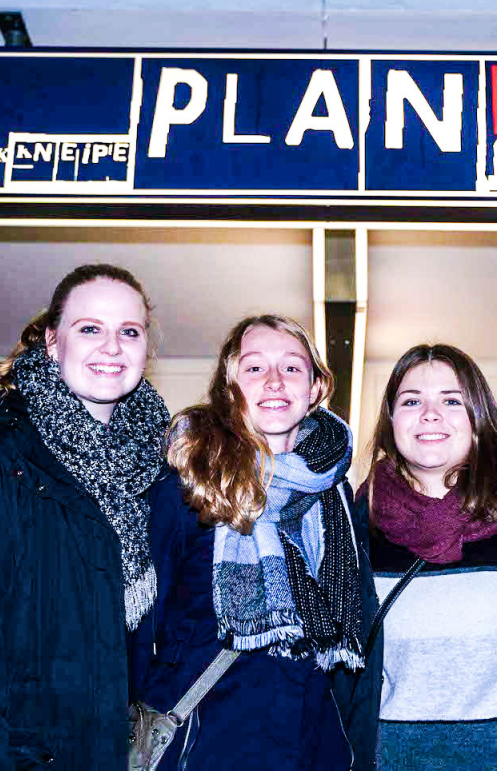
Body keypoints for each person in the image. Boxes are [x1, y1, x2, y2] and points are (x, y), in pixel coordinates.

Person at [0, 264, 171, 770]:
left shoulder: (152, 474)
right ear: (53, 342)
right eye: (90, 329)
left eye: (130, 332)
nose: (112, 347)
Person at [135, 315, 369, 770]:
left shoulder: (337, 497)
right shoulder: (188, 486)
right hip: (205, 744)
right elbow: (143, 629)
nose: (275, 381)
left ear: (315, 388)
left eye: (292, 367)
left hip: (310, 744)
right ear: (231, 388)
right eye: (255, 367)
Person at [339, 344, 497, 771]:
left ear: (478, 418)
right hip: (393, 758)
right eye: (412, 402)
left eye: (451, 401)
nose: (430, 414)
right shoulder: (355, 525)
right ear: (391, 421)